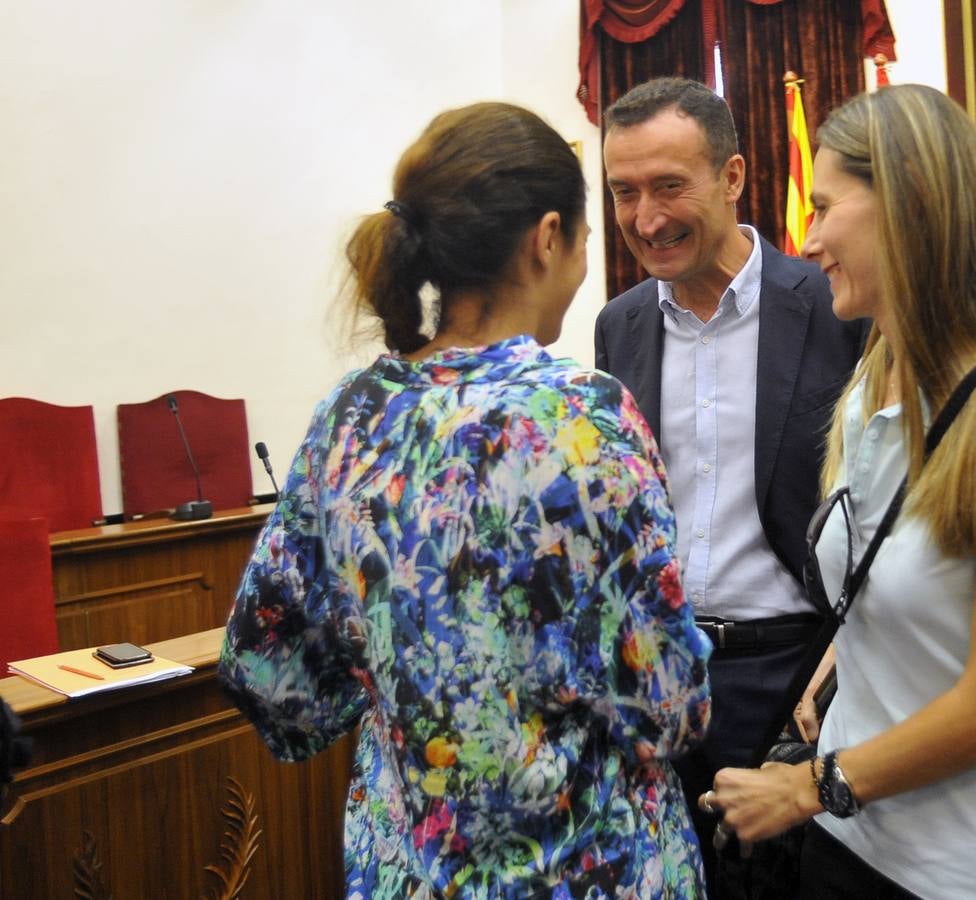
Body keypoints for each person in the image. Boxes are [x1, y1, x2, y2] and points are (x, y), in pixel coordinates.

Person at [219, 102, 713, 898]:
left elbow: (270, 676)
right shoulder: (583, 418)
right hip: (587, 869)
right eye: (588, 238)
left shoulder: (352, 414)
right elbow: (668, 704)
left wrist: (410, 678)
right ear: (546, 237)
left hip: (405, 872)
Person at [706, 84, 976, 899]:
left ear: (911, 204)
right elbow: (888, 569)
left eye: (825, 207)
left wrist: (805, 786)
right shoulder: (872, 382)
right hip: (854, 841)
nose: (810, 235)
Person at [594, 77, 869, 883]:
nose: (646, 219)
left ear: (735, 177)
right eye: (624, 193)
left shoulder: (833, 304)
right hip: (659, 678)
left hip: (796, 678)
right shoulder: (620, 326)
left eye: (670, 186)